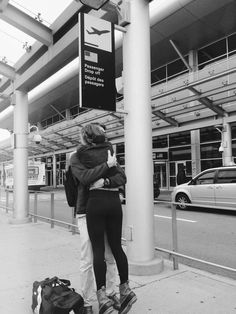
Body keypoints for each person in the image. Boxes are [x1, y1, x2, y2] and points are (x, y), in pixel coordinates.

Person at [71, 123, 137, 314]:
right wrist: (107, 165)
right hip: (85, 210)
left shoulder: (94, 153)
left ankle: (108, 295)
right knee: (87, 257)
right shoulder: (76, 158)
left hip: (97, 205)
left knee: (106, 254)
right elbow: (84, 177)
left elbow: (122, 177)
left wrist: (106, 180)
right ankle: (88, 300)